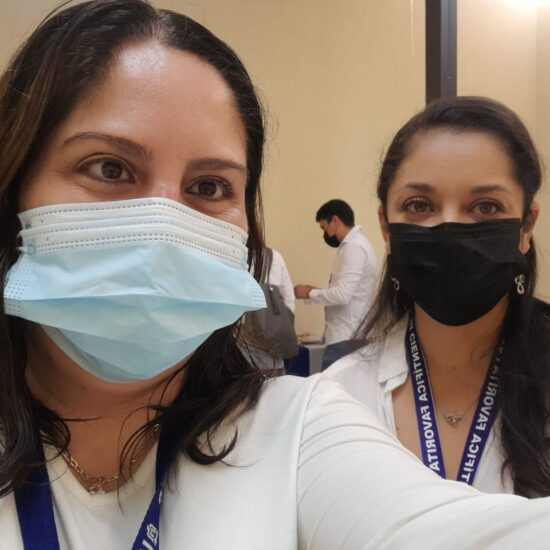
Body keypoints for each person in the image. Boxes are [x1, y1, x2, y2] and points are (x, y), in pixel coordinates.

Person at [4, 3, 550, 548]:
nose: (164, 226)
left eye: (209, 186)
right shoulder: (348, 382)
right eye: (109, 168)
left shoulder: (297, 426)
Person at [325, 96, 550, 496]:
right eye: (419, 205)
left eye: (485, 207)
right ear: (386, 228)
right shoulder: (339, 397)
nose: (449, 227)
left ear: (525, 227)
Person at [294, 199, 377, 370]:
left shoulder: (354, 247)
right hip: (349, 336)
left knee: (332, 386)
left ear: (335, 220)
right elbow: (345, 292)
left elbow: (343, 295)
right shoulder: (354, 245)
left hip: (347, 337)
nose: (325, 234)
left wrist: (309, 293)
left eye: (324, 228)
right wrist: (314, 291)